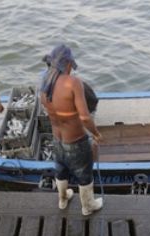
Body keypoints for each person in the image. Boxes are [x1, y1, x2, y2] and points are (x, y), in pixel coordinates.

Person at [40, 44, 104, 216]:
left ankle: (62, 199)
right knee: (84, 174)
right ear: (67, 63)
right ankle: (87, 206)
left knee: (60, 169)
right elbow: (84, 117)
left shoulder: (45, 81)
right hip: (75, 141)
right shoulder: (73, 83)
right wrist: (96, 134)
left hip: (57, 139)